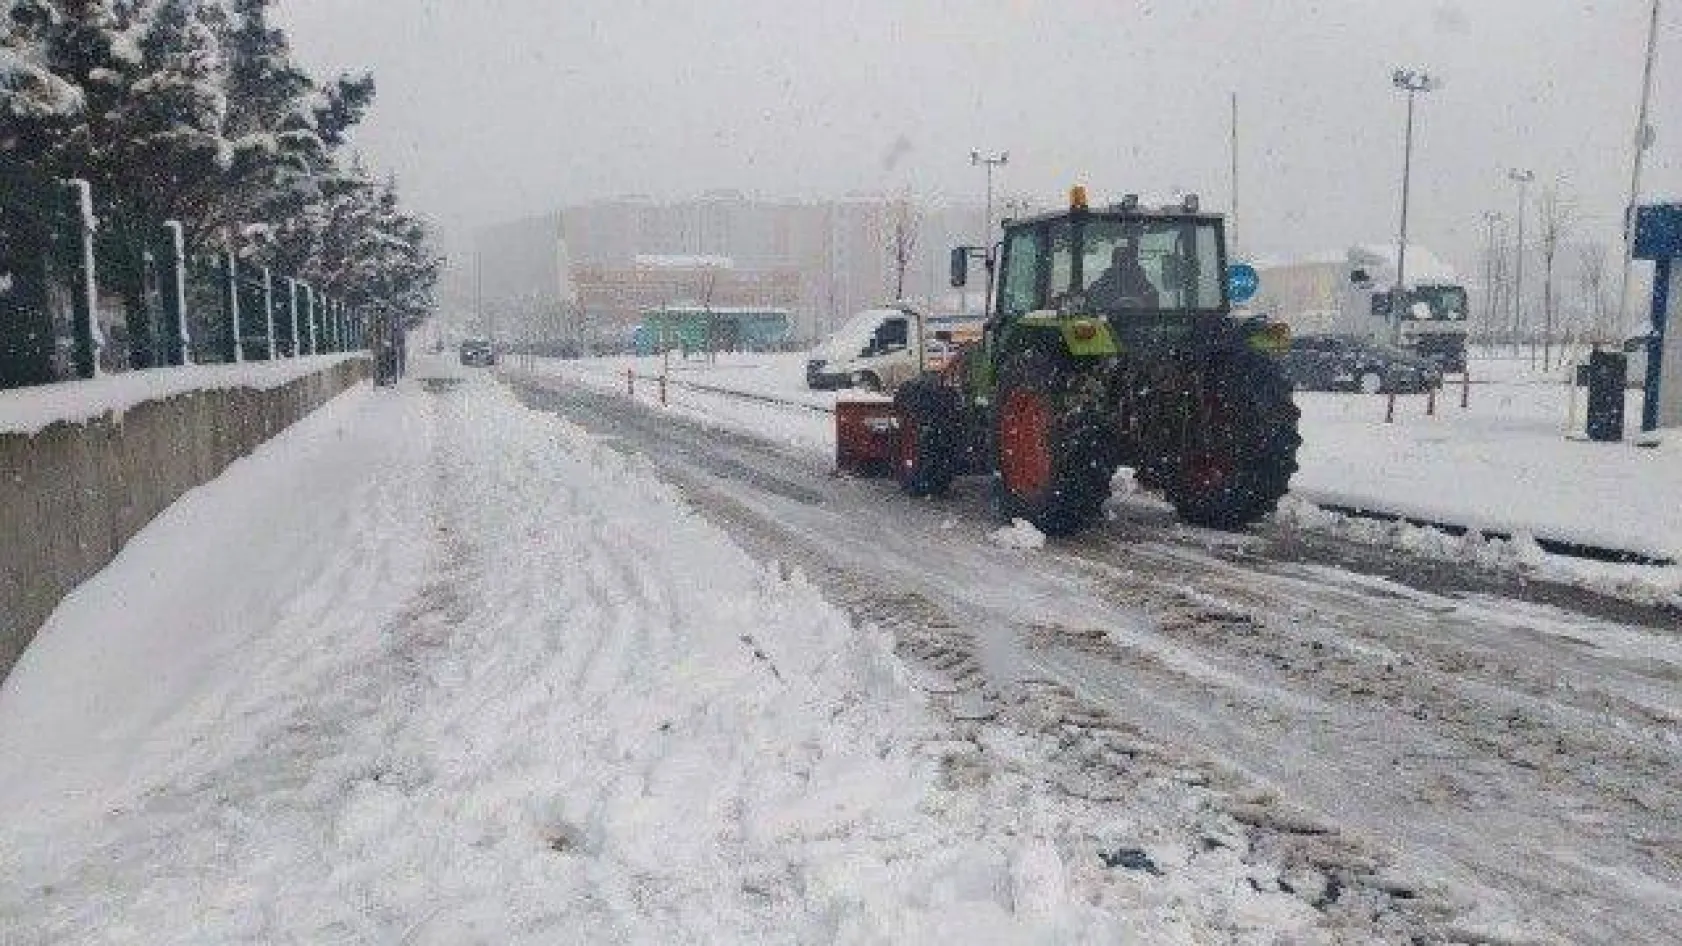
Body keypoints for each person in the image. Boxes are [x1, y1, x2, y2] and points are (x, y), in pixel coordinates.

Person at [1086, 239, 1159, 309]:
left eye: (1126, 261)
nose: (1123, 265)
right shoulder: (1100, 287)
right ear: (1113, 263)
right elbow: (1091, 310)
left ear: (1133, 263)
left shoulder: (1144, 287)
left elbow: (1154, 309)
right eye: (1120, 262)